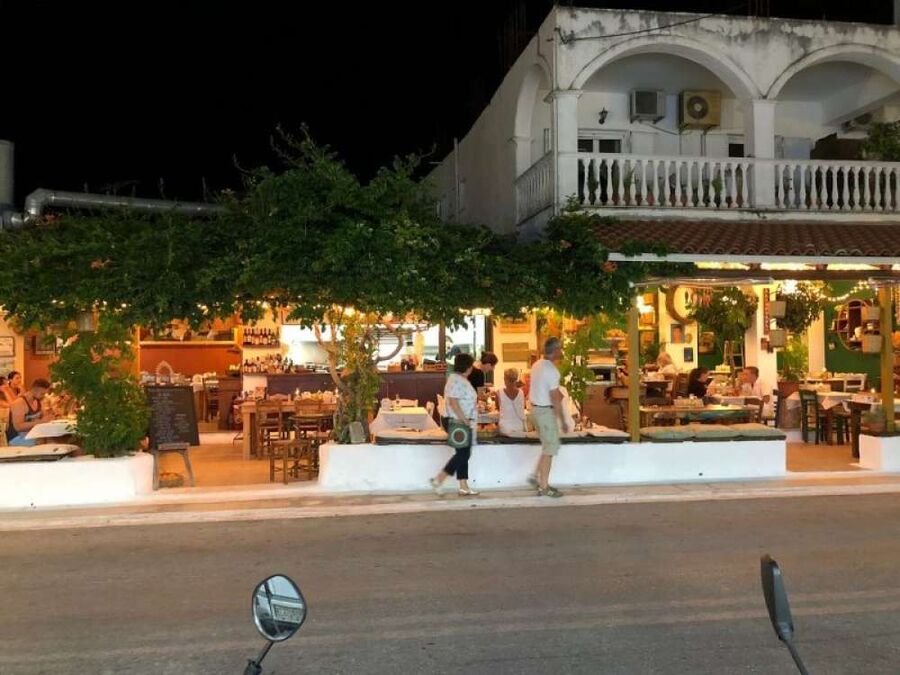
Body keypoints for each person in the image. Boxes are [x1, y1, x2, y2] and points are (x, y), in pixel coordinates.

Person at [430, 353, 479, 497]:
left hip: (462, 421)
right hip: (459, 422)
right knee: (463, 454)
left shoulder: (458, 379)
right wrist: (465, 420)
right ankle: (439, 479)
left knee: (463, 453)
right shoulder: (456, 380)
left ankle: (463, 486)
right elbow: (453, 402)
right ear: (468, 367)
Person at [528, 337, 568, 498]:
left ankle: (536, 477)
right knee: (550, 450)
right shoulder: (552, 371)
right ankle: (543, 487)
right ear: (556, 350)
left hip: (535, 410)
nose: (562, 351)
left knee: (547, 447)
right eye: (561, 348)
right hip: (545, 412)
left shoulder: (537, 365)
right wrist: (563, 420)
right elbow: (555, 398)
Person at [7, 378, 55, 447]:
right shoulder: (19, 403)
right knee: (46, 443)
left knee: (55, 439)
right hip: (17, 438)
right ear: (35, 390)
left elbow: (44, 416)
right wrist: (41, 421)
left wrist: (49, 416)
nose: (44, 396)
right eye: (42, 393)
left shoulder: (38, 401)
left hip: (32, 434)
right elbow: (18, 427)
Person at [498, 368, 527, 435]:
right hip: (519, 426)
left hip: (505, 428)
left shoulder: (499, 392)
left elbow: (498, 408)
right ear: (516, 379)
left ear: (505, 379)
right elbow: (523, 407)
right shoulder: (521, 392)